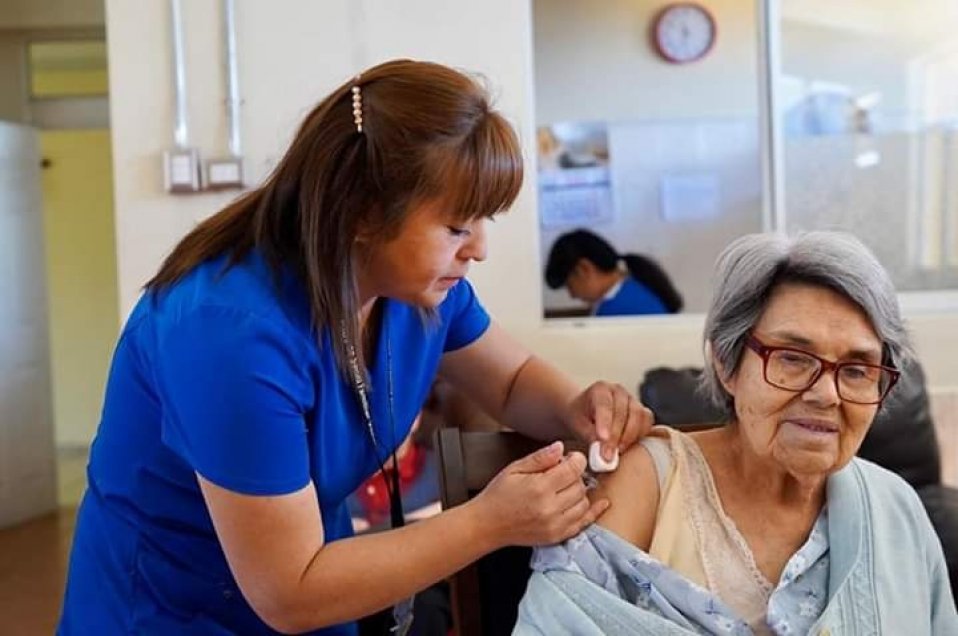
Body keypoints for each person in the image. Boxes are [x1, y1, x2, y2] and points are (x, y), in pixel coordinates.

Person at [56, 59, 653, 635]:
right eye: (456, 226)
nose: (479, 249)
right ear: (365, 212)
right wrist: (490, 522)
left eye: (484, 220)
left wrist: (579, 404)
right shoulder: (229, 333)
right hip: (175, 611)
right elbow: (289, 591)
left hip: (319, 585)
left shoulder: (416, 292)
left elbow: (512, 379)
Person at [517, 231, 958, 634]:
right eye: (792, 358)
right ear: (726, 365)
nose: (827, 394)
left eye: (857, 370)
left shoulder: (894, 509)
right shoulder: (647, 486)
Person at [544, 228, 682, 316]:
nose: (572, 295)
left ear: (584, 269)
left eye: (569, 285)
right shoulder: (635, 287)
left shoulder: (615, 310)